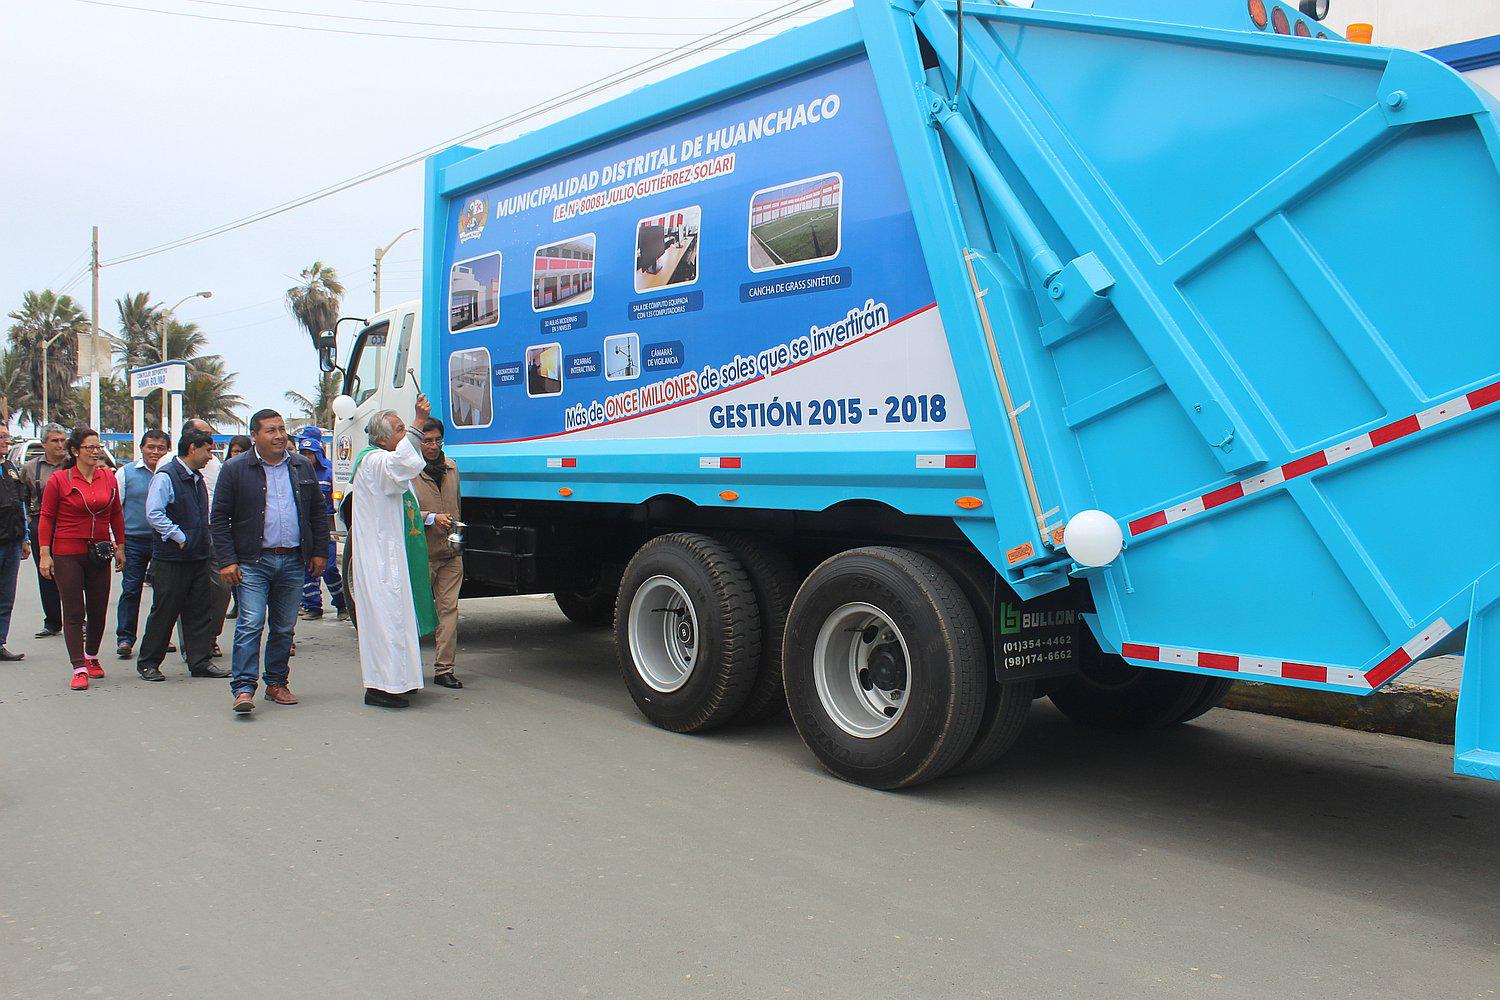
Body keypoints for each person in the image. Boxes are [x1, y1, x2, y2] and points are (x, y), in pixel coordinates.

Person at [211, 409, 329, 714]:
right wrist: (226, 560)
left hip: (292, 560)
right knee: (250, 623)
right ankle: (244, 688)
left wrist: (319, 552)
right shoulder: (235, 468)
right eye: (271, 430)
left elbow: (317, 512)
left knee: (284, 627)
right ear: (255, 435)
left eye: (282, 429)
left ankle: (277, 683)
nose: (279, 436)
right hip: (252, 561)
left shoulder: (301, 466)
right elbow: (219, 518)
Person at [348, 397, 439, 709]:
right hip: (380, 561)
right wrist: (417, 421)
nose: (405, 436)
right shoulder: (373, 461)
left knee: (399, 620)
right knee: (386, 622)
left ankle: (402, 682)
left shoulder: (382, 462)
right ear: (383, 438)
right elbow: (403, 463)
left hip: (392, 556)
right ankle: (380, 687)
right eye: (399, 431)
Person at [135, 427, 227, 682]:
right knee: (165, 610)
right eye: (207, 450)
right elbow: (154, 513)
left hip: (198, 556)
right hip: (172, 558)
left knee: (199, 610)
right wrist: (180, 537)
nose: (210, 456)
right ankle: (149, 662)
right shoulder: (167, 476)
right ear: (193, 449)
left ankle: (199, 661)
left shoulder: (196, 478)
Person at [38, 427, 126, 691]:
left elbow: (116, 515)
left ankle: (91, 655)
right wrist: (45, 554)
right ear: (76, 451)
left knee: (99, 608)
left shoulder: (108, 478)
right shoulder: (60, 480)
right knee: (74, 610)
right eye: (90, 447)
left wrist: (120, 546)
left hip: (99, 551)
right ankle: (78, 667)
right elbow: (46, 517)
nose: (96, 452)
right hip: (67, 551)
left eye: (98, 447)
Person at [411, 417, 463, 689]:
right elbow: (402, 513)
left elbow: (457, 505)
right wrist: (430, 518)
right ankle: (405, 671)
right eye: (427, 440)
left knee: (449, 611)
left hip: (451, 553)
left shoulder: (452, 468)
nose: (433, 446)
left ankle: (444, 669)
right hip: (422, 554)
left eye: (437, 440)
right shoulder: (409, 471)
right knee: (414, 613)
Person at [114, 429, 171, 659]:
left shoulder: (171, 473)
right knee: (131, 589)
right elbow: (116, 509)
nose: (155, 452)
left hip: (162, 541)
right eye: (151, 447)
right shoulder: (125, 473)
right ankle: (125, 638)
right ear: (142, 448)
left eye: (161, 448)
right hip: (134, 541)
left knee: (165, 592)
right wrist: (118, 544)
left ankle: (158, 639)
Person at [20, 423, 68, 638]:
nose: (60, 445)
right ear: (44, 444)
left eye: (62, 440)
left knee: (72, 572)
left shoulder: (73, 463)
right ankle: (52, 622)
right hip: (41, 522)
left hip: (69, 522)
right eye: (54, 441)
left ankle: (77, 619)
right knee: (46, 572)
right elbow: (23, 498)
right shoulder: (30, 468)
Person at [294, 427, 347, 622]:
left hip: (326, 524)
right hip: (304, 525)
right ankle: (313, 606)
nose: (307, 457)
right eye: (304, 453)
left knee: (330, 566)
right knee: (308, 568)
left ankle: (342, 603)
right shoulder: (294, 471)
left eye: (310, 453)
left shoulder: (329, 472)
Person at [0, 428, 32, 661]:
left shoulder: (10, 468)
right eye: (1, 436)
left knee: (6, 596)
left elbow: (20, 504)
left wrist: (25, 538)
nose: (6, 440)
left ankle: (0, 642)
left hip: (12, 540)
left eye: (6, 436)